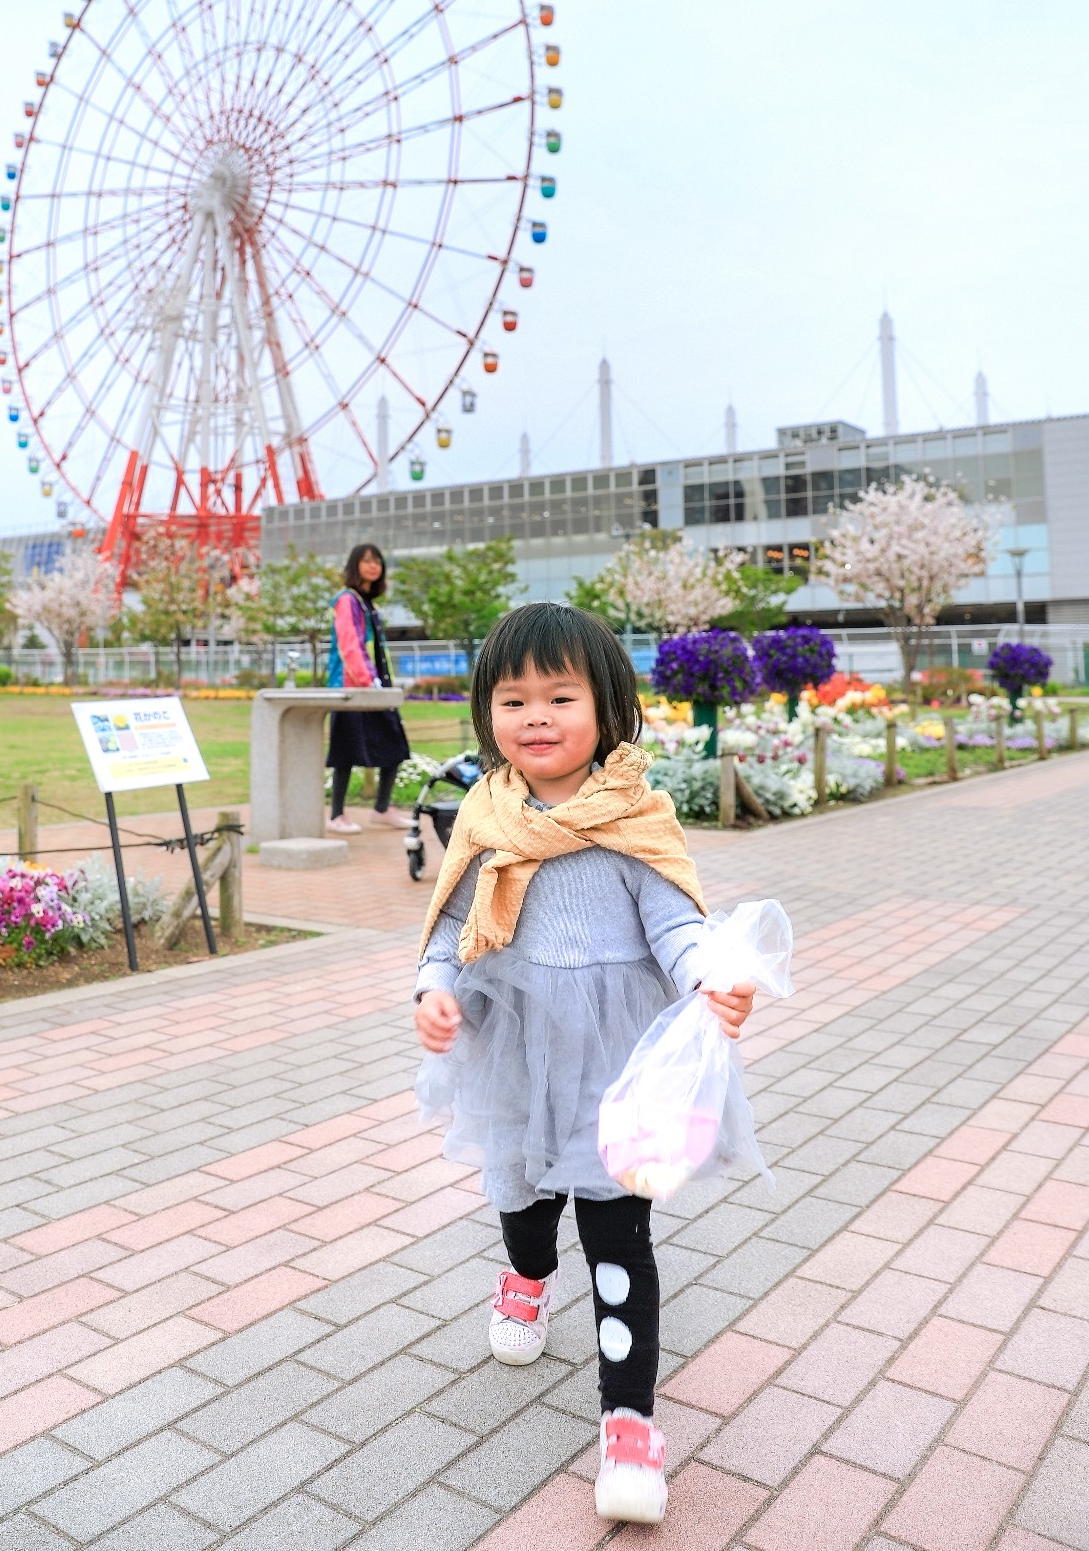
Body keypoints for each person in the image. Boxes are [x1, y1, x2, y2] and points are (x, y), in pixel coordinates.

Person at [413, 601, 756, 1525]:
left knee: (619, 1241)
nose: (534, 716)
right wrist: (432, 991)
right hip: (517, 1057)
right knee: (523, 1204)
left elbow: (678, 923)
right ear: (487, 712)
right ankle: (524, 1280)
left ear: (606, 708)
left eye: (559, 697)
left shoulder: (632, 819)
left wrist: (707, 980)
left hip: (618, 1066)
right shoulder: (483, 819)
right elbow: (449, 928)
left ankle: (629, 1426)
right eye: (512, 698)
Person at [325, 542, 412, 835]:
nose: (373, 565)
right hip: (353, 687)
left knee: (394, 745)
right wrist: (368, 681)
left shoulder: (367, 602)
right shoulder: (347, 600)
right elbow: (350, 645)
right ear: (355, 565)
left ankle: (382, 809)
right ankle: (336, 815)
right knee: (345, 752)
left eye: (377, 561)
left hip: (374, 686)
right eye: (367, 560)